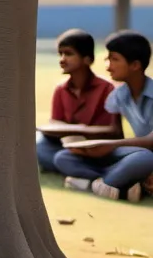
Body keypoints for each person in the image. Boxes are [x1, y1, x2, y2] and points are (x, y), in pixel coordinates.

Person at [54, 30, 153, 201]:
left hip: (147, 153)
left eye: (114, 59)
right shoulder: (118, 95)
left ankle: (93, 184)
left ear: (135, 65)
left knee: (145, 158)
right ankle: (118, 185)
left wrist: (110, 145)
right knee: (63, 157)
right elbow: (116, 133)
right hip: (133, 151)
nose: (107, 66)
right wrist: (94, 148)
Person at [37, 29, 118, 173]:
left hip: (98, 149)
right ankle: (76, 170)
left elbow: (112, 131)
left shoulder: (107, 89)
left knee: (61, 158)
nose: (62, 59)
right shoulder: (61, 89)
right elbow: (55, 123)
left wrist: (78, 129)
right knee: (37, 145)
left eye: (68, 53)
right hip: (68, 146)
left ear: (88, 59)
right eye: (60, 54)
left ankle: (82, 172)